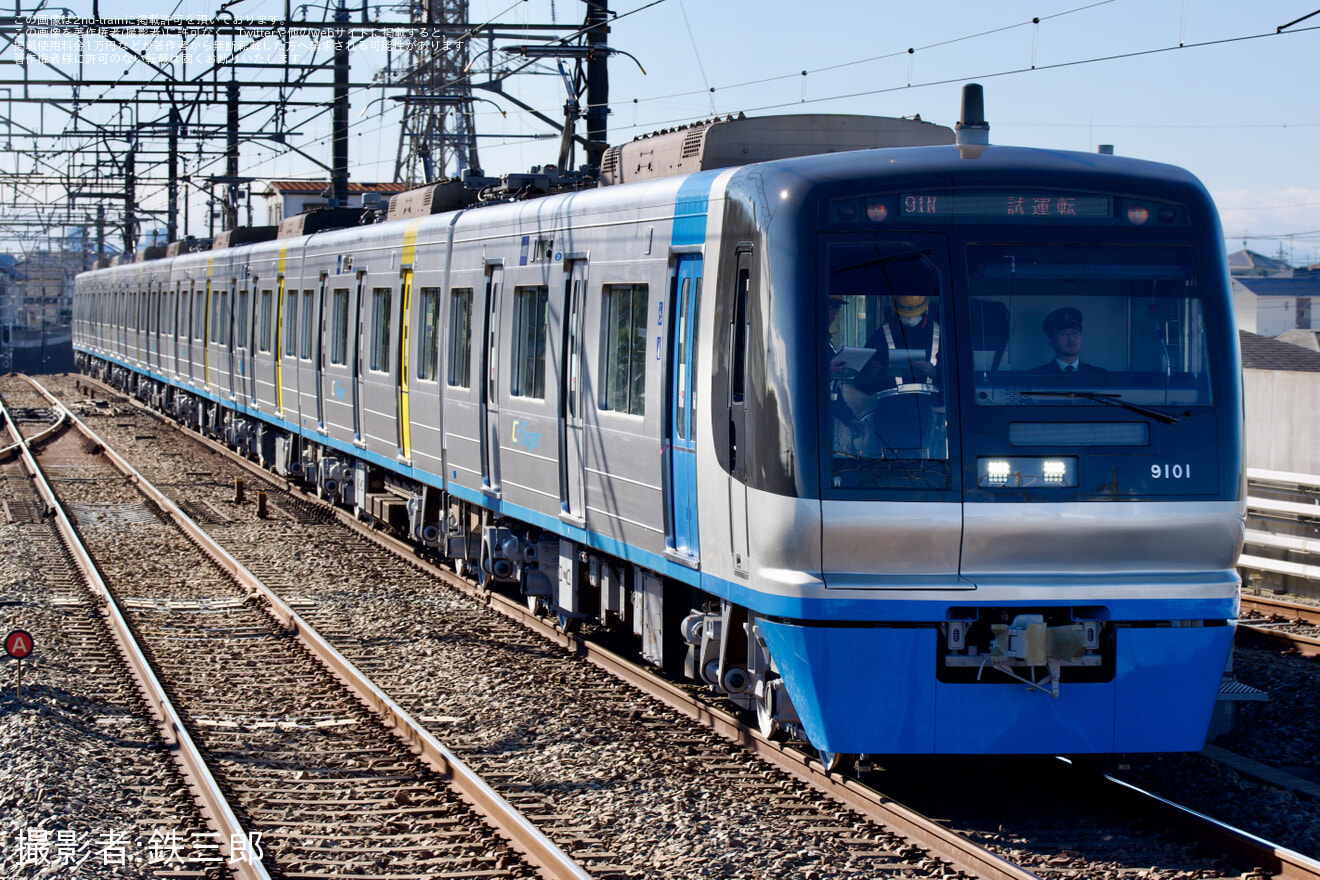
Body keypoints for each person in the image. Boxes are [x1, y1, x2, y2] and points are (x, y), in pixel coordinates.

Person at [1029, 307, 1106, 373]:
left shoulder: (1098, 374)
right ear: (1051, 342)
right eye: (1063, 334)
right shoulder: (1038, 375)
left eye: (1075, 333)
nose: (1071, 338)